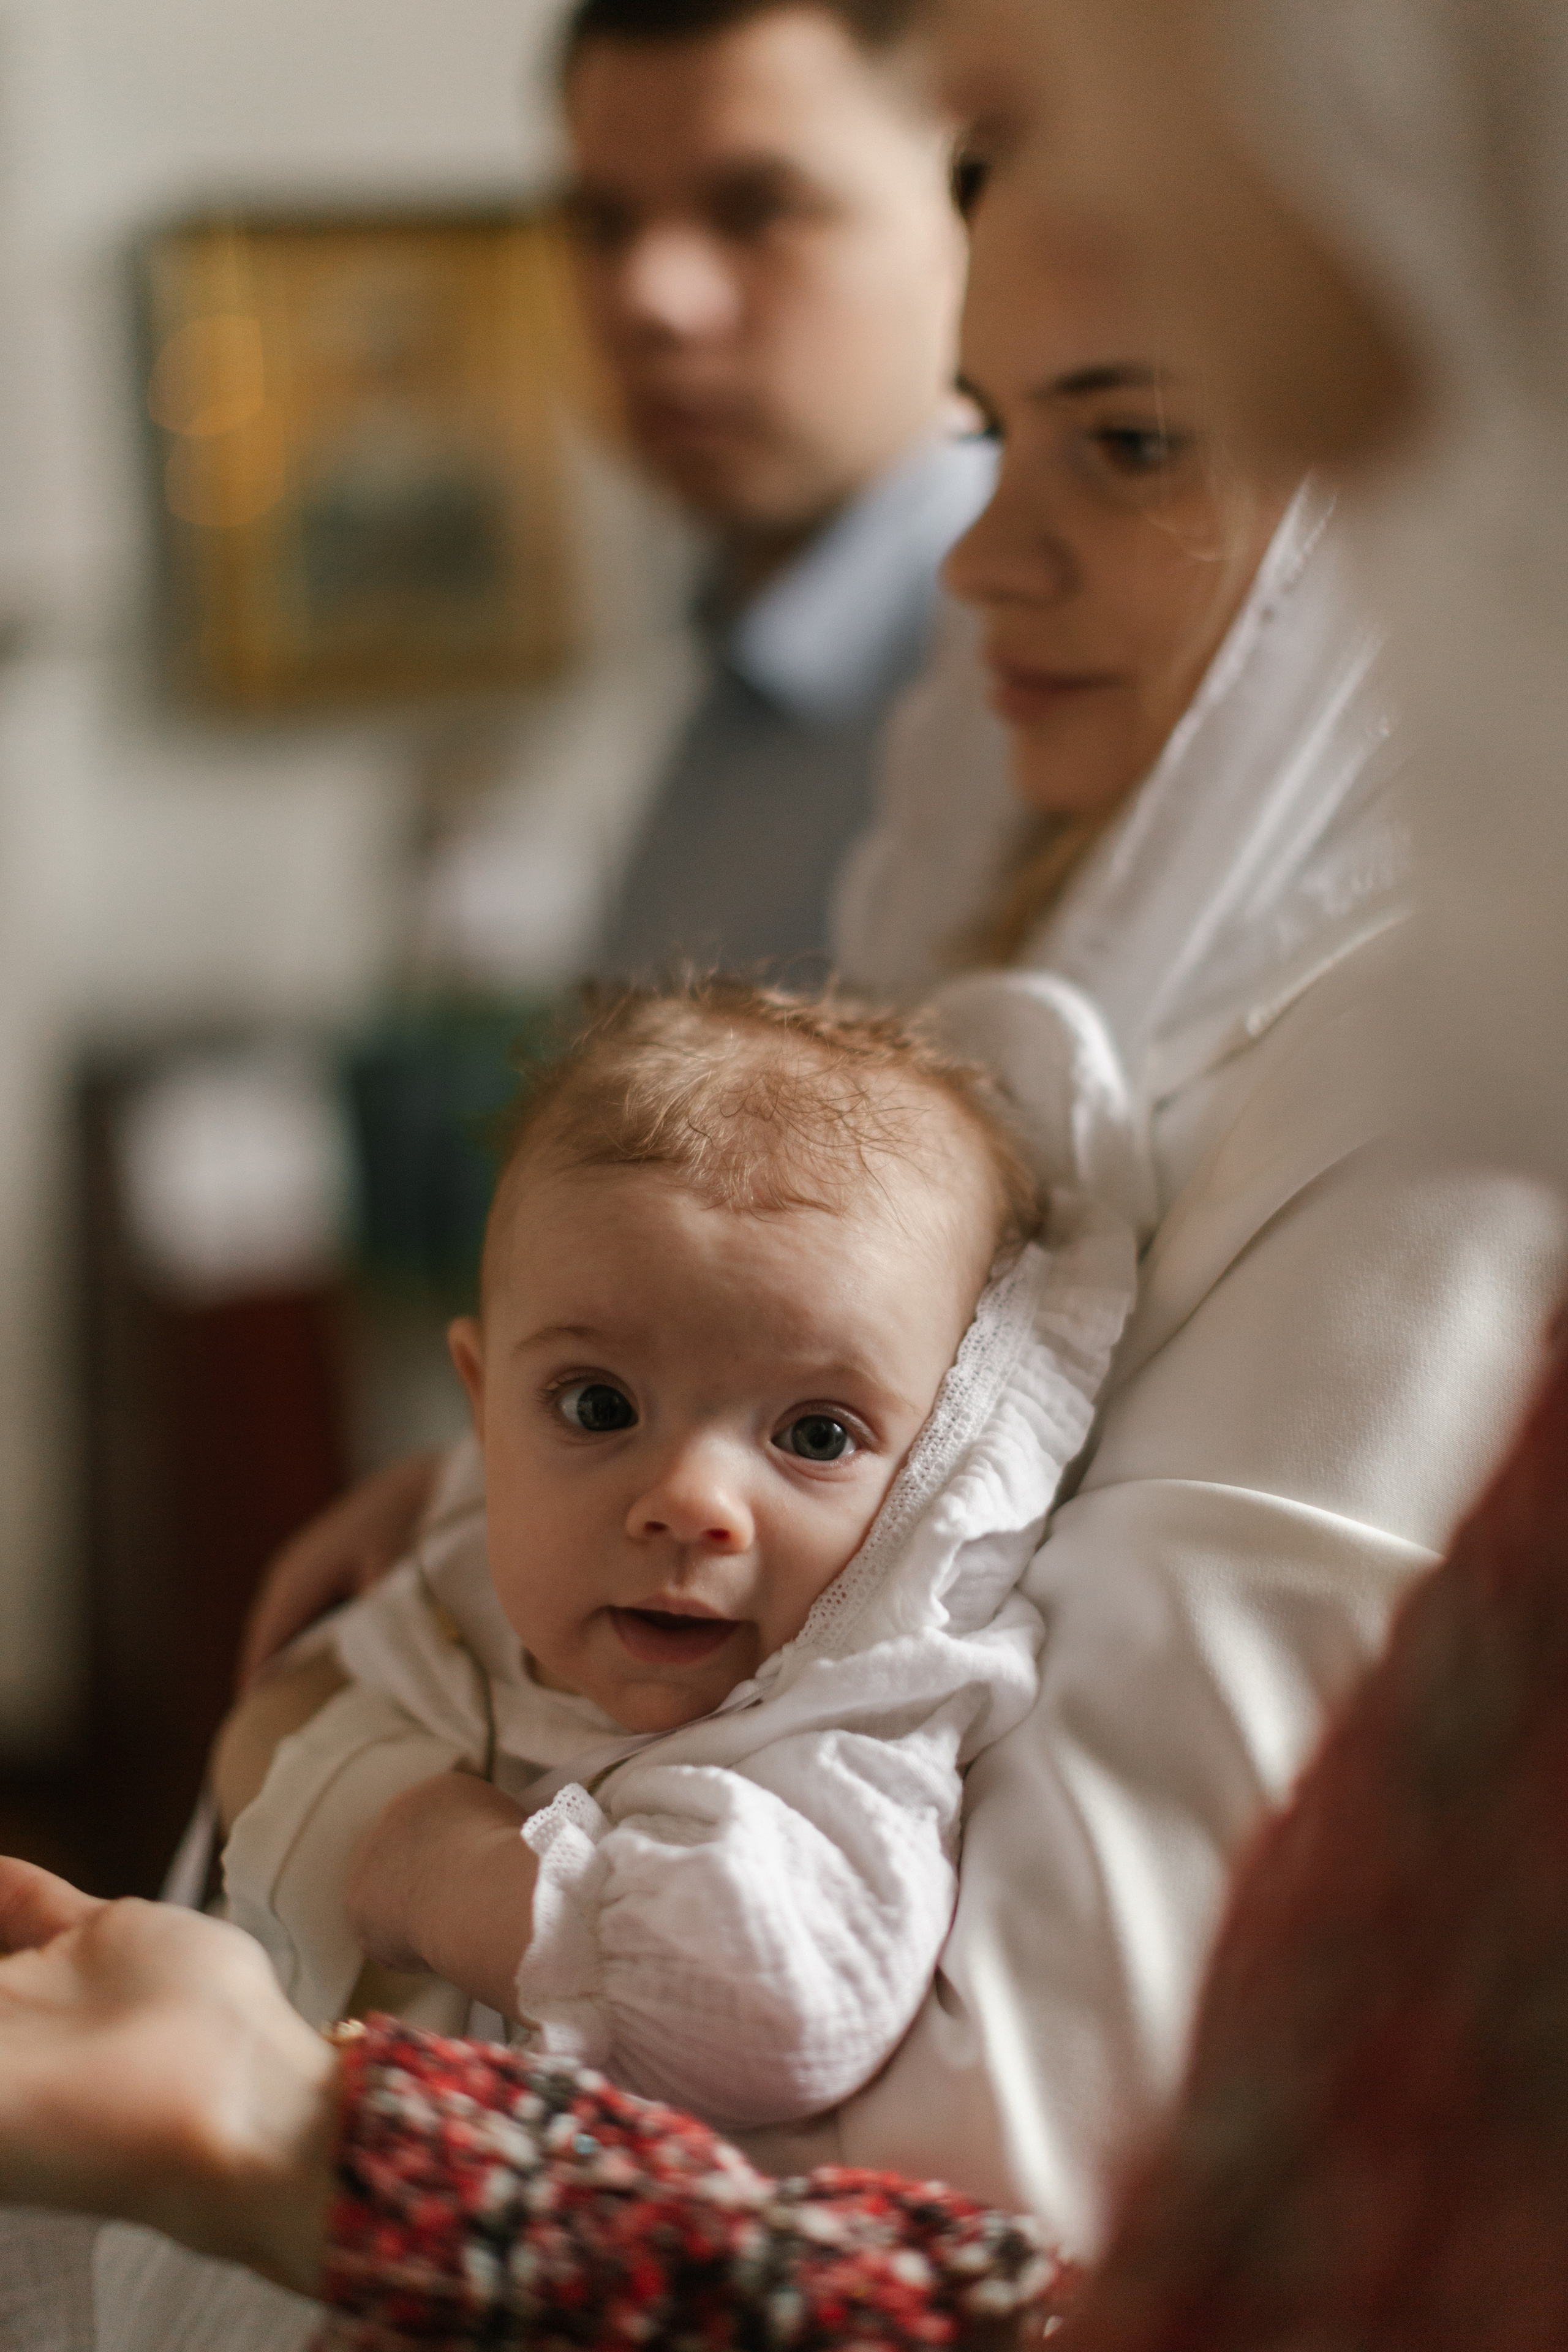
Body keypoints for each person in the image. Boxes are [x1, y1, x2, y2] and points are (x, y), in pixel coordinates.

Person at [212, 981, 1132, 2133]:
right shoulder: (465, 1546)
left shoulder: (854, 1717)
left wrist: (423, 1857)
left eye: (815, 1435)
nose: (691, 1504)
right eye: (598, 1405)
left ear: (943, 1463)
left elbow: (782, 2008)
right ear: (482, 1405)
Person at [558, 0, 989, 975]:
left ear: (970, 211)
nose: (650, 298)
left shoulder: (1040, 679)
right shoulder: (733, 660)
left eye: (760, 209)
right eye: (604, 223)